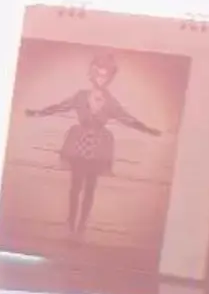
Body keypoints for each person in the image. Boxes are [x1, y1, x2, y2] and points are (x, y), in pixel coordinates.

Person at [25, 51, 161, 242]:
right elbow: (60, 106)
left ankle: (80, 228)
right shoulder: (81, 96)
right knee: (75, 187)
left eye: (106, 74)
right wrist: (38, 113)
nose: (101, 78)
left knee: (90, 189)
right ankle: (71, 225)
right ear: (91, 73)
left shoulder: (111, 101)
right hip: (78, 143)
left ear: (111, 77)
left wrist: (147, 130)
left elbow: (127, 119)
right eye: (98, 73)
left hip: (98, 147)